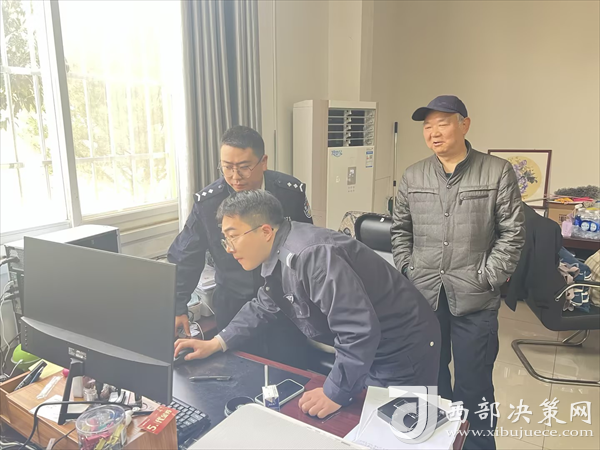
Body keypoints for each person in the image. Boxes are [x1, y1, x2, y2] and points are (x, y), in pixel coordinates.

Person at [174, 190, 441, 419]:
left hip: (401, 346)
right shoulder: (279, 253)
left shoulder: (312, 256)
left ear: (265, 231)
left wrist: (335, 392)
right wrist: (216, 343)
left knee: (404, 428)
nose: (229, 248)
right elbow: (264, 305)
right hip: (370, 346)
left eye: (233, 237)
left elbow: (358, 331)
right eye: (225, 239)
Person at [391, 95, 525, 450]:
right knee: (429, 379)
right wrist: (408, 269)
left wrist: (488, 277)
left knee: (474, 386)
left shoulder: (496, 171)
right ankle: (436, 442)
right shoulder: (413, 175)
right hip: (425, 297)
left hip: (475, 301)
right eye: (427, 126)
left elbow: (513, 233)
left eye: (442, 124)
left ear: (464, 124)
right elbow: (400, 230)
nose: (434, 133)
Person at [167, 126, 312, 368]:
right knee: (239, 372)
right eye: (227, 167)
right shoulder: (209, 202)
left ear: (263, 162)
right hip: (234, 304)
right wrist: (178, 306)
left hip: (286, 304)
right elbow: (185, 255)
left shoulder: (289, 193)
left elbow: (307, 246)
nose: (235, 176)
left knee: (291, 372)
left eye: (244, 167)